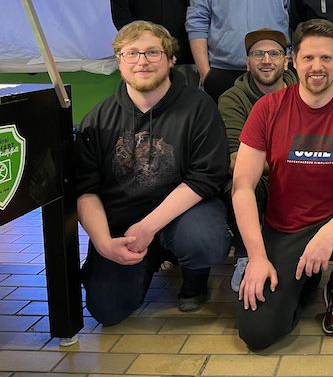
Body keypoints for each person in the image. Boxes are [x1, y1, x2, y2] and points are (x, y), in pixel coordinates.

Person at [232, 19, 333, 349]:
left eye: (326, 58)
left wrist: (326, 235)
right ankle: (304, 281)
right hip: (287, 229)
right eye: (308, 58)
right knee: (257, 334)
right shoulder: (267, 109)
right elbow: (242, 187)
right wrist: (257, 257)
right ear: (293, 60)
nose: (317, 67)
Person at [75, 21, 230, 325]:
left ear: (171, 59)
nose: (142, 61)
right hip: (125, 224)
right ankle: (147, 259)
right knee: (107, 310)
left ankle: (194, 275)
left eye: (152, 52)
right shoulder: (97, 120)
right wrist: (104, 243)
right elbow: (85, 189)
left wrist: (148, 227)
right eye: (131, 53)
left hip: (183, 215)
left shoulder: (199, 108)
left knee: (203, 241)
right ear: (119, 60)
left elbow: (206, 176)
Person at [218, 28, 297, 265]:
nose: (266, 60)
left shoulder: (304, 93)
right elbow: (235, 160)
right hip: (260, 178)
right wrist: (289, 161)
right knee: (240, 183)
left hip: (301, 176)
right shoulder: (232, 98)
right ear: (247, 63)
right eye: (258, 54)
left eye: (274, 53)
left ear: (286, 61)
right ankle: (246, 256)